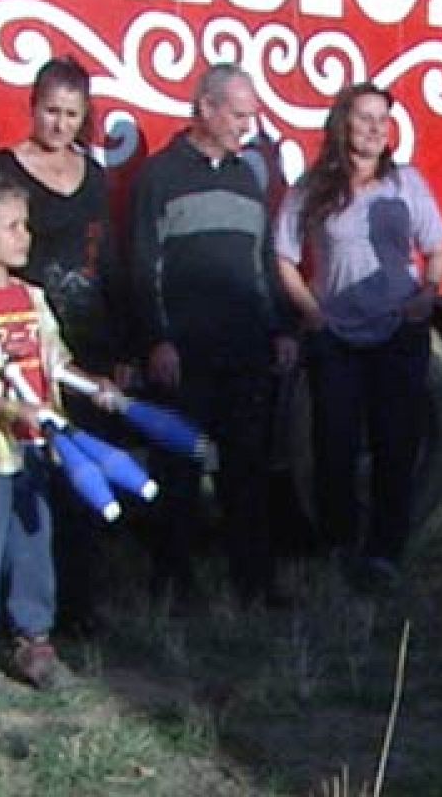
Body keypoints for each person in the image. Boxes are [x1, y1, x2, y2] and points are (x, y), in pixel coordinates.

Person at [0, 174, 122, 692]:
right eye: (12, 227)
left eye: (26, 226)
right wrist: (10, 407)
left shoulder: (32, 299)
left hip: (34, 449)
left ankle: (33, 641)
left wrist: (92, 385)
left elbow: (54, 362)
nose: (26, 236)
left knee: (34, 542)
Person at [128, 62, 296, 609]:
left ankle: (254, 581)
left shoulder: (248, 178)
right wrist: (158, 340)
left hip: (244, 348)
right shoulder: (161, 176)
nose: (247, 128)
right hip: (186, 354)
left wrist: (279, 329)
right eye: (239, 115)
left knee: (247, 468)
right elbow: (143, 265)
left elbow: (260, 265)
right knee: (178, 468)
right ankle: (174, 584)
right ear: (206, 107)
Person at [274, 82, 442, 587]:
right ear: (342, 124)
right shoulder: (311, 190)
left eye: (383, 120)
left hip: (398, 332)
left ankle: (385, 553)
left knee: (396, 444)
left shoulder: (406, 184)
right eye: (365, 117)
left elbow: (438, 247)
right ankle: (339, 546)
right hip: (336, 337)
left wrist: (428, 294)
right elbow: (283, 258)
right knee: (334, 446)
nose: (375, 128)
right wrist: (311, 312)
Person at [0, 56, 127, 634]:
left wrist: (122, 342)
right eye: (51, 111)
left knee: (82, 468)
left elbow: (107, 258)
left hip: (86, 339)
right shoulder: (4, 170)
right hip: (24, 341)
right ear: (32, 106)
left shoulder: (92, 174)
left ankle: (80, 604)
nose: (60, 124)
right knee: (26, 473)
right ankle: (18, 611)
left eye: (72, 114)